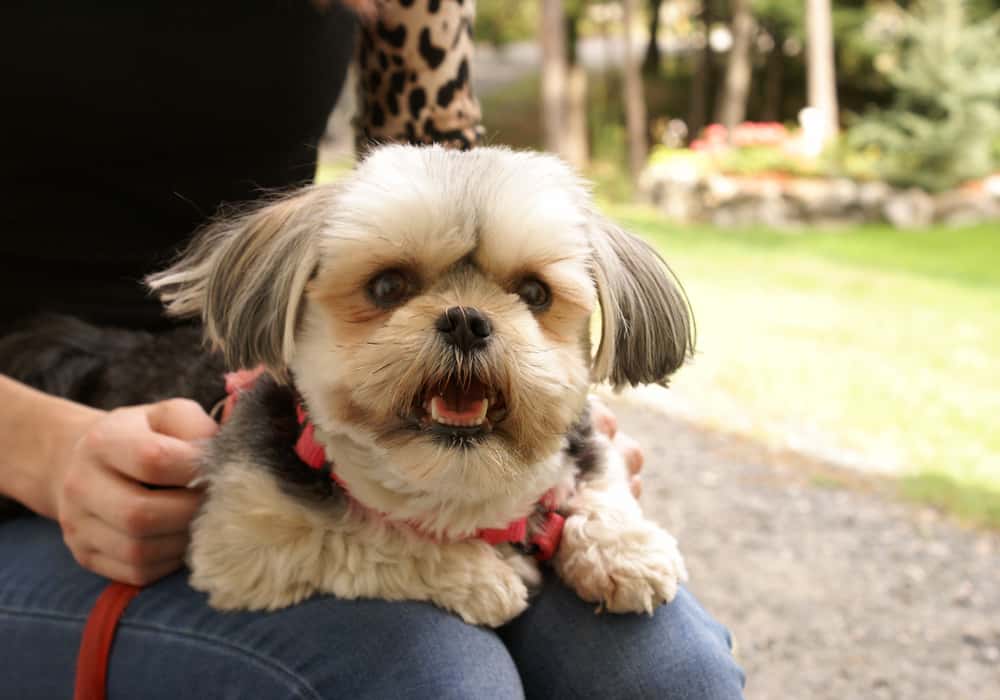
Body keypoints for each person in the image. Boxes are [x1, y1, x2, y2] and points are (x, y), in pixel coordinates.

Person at [0, 1, 745, 697]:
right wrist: (41, 450)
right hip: (46, 440)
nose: (469, 320)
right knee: (438, 679)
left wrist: (561, 439)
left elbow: (444, 187)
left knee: (670, 673)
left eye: (533, 294)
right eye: (393, 285)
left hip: (297, 368)